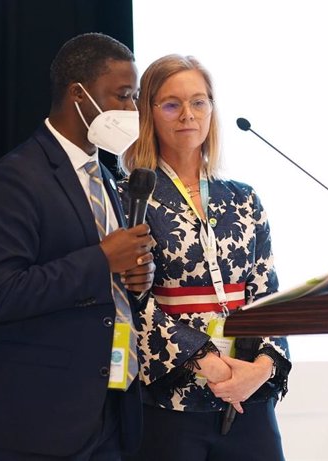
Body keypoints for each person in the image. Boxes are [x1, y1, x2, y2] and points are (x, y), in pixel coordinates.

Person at [0, 33, 156, 460]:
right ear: (78, 94)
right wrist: (103, 259)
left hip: (108, 409)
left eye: (135, 97)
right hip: (35, 421)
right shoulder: (15, 177)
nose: (131, 111)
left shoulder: (104, 176)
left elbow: (108, 283)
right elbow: (0, 296)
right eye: (122, 97)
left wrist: (134, 278)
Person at [119, 54, 291, 461]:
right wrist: (205, 360)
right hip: (171, 404)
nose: (188, 115)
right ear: (149, 113)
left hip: (247, 399)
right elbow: (131, 302)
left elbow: (269, 295)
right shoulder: (131, 195)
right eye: (171, 104)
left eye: (199, 102)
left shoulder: (243, 198)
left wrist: (262, 367)